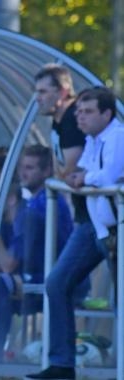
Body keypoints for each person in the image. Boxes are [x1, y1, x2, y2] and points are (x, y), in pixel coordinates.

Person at [25, 87, 124, 380]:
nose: (80, 116)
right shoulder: (93, 139)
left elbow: (106, 178)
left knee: (121, 299)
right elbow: (74, 175)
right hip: (93, 225)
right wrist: (82, 178)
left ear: (107, 113)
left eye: (88, 111)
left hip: (116, 228)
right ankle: (61, 365)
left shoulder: (118, 136)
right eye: (78, 111)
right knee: (56, 283)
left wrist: (85, 178)